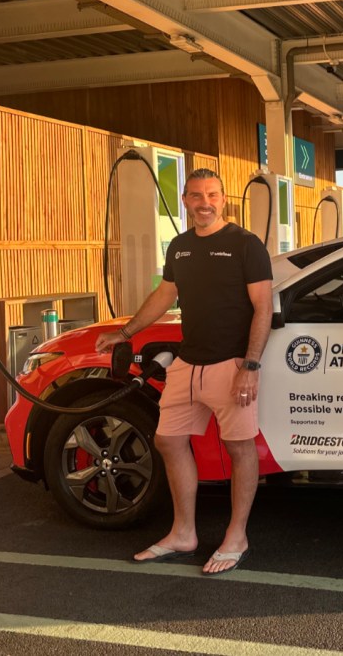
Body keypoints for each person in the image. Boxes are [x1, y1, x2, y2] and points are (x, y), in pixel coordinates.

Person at [95, 168, 272, 575]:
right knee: (169, 441)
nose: (203, 202)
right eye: (195, 195)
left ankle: (237, 536)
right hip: (187, 363)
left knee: (240, 449)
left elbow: (263, 306)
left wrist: (250, 365)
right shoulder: (179, 246)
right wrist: (123, 333)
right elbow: (164, 294)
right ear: (186, 202)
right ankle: (183, 533)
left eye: (211, 195)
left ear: (223, 199)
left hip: (231, 365)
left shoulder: (246, 246)